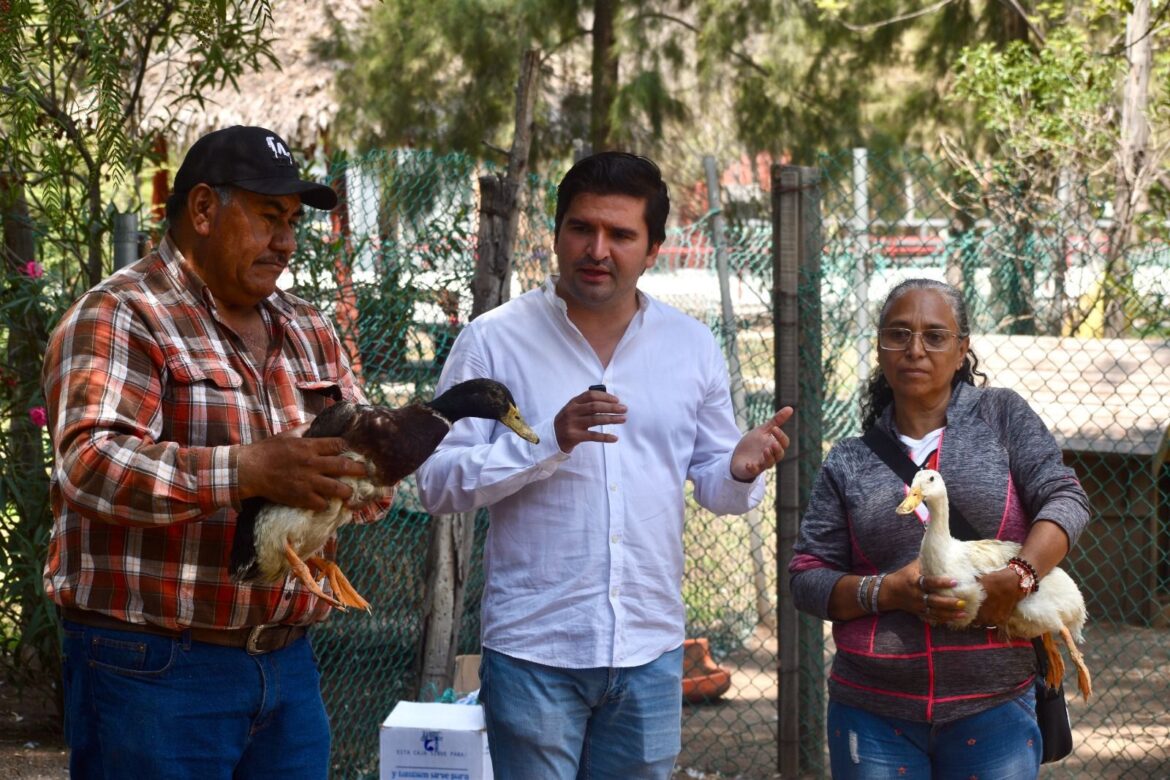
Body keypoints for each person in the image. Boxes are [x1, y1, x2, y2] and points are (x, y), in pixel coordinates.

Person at [416, 151, 794, 779]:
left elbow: (718, 488)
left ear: (653, 250)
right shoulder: (494, 339)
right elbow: (435, 482)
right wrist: (545, 443)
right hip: (535, 648)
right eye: (581, 229)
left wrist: (741, 469)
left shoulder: (690, 346)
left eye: (620, 235)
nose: (598, 249)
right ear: (556, 233)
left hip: (649, 648)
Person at [42, 125, 389, 779]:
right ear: (202, 209)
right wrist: (248, 469)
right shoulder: (121, 314)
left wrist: (360, 480)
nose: (285, 242)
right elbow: (90, 464)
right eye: (267, 218)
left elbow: (363, 463)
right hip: (154, 667)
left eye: (291, 221)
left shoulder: (309, 327)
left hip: (287, 665)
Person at [788, 278, 1090, 779]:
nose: (915, 350)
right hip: (874, 708)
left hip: (993, 702)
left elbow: (1066, 497)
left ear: (962, 349)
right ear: (881, 348)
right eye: (898, 334)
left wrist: (1019, 576)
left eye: (935, 336)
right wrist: (885, 592)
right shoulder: (850, 459)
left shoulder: (1001, 418)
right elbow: (805, 577)